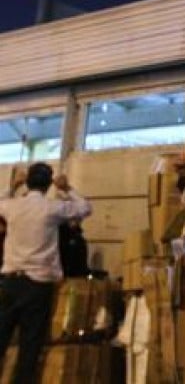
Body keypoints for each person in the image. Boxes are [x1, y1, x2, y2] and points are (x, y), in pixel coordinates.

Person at [0, 163, 92, 383]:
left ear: (27, 182)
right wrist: (67, 188)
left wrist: (12, 187)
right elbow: (85, 207)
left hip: (10, 283)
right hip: (37, 285)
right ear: (49, 184)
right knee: (29, 347)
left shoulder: (12, 206)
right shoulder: (52, 208)